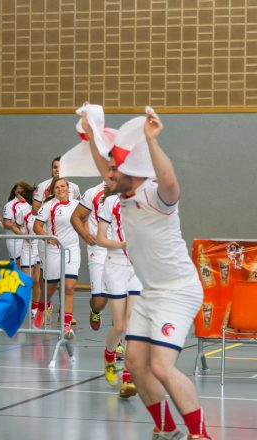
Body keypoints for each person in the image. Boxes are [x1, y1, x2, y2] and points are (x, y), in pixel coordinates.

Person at [83, 107, 211, 439]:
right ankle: (167, 428)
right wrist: (91, 129)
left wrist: (152, 141)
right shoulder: (122, 195)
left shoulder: (157, 196)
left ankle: (200, 434)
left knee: (161, 367)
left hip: (179, 291)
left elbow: (170, 180)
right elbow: (107, 167)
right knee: (136, 364)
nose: (108, 174)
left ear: (132, 169)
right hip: (152, 292)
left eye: (114, 169)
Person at [96, 186, 142, 399]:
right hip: (115, 266)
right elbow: (100, 238)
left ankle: (127, 378)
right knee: (120, 325)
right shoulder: (110, 202)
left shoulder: (145, 201)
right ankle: (109, 354)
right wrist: (123, 244)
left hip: (137, 267)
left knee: (132, 325)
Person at [33, 177, 80, 339]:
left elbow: (84, 221)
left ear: (69, 188)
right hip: (53, 249)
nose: (60, 189)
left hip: (72, 249)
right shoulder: (48, 206)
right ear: (53, 190)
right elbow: (37, 225)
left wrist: (89, 236)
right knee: (50, 288)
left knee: (69, 286)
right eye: (57, 187)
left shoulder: (76, 205)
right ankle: (42, 306)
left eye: (63, 186)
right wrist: (47, 237)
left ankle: (66, 325)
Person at [70, 181, 107, 331]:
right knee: (99, 302)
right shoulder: (93, 192)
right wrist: (85, 235)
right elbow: (76, 217)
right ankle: (95, 310)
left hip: (121, 252)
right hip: (98, 250)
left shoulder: (131, 190)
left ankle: (119, 345)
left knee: (122, 302)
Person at [9, 183, 41, 318]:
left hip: (41, 247)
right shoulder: (25, 211)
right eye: (35, 196)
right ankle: (21, 307)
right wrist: (23, 236)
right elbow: (15, 226)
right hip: (27, 247)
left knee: (37, 279)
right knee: (26, 280)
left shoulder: (46, 209)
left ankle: (35, 308)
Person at [3, 181, 30, 262]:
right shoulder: (9, 205)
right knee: (16, 263)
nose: (21, 192)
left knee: (27, 264)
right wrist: (19, 225)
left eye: (23, 190)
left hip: (27, 239)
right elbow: (6, 224)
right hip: (14, 239)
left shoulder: (29, 204)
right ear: (15, 191)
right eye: (19, 190)